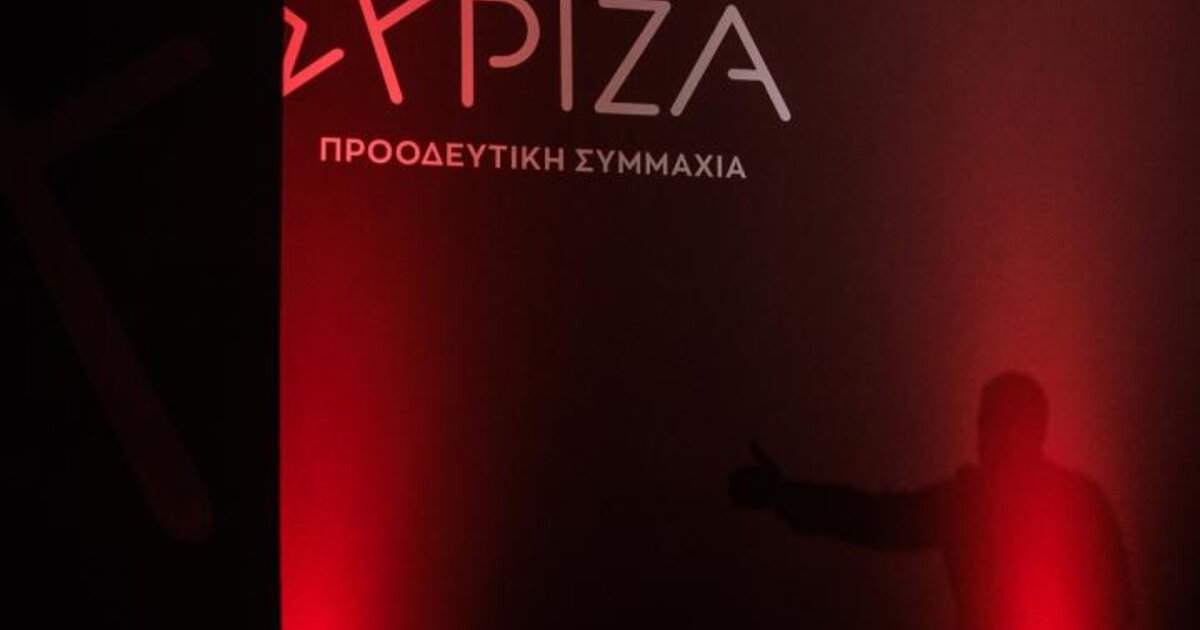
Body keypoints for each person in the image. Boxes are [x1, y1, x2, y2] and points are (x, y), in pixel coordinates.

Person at [729, 372, 1134, 630]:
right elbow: (1120, 601)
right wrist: (786, 494)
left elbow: (877, 520)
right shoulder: (1081, 500)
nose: (982, 434)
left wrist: (784, 494)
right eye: (983, 422)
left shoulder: (968, 504)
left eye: (989, 422)